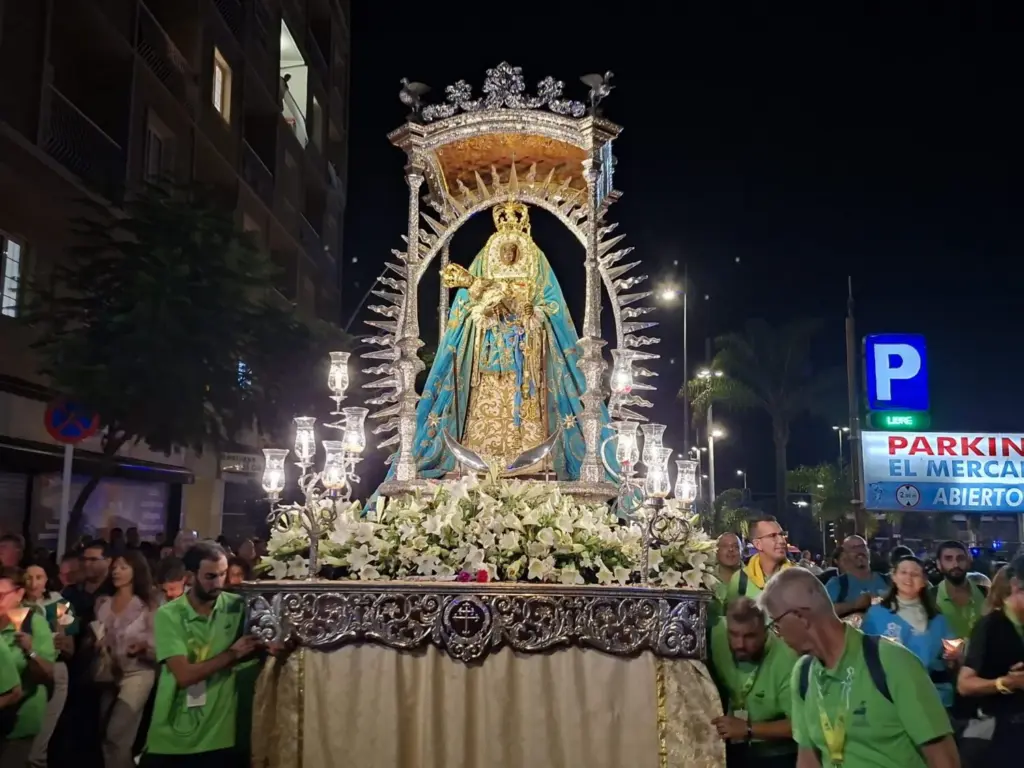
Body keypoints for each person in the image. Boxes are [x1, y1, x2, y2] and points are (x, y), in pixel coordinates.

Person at [390, 200, 612, 481]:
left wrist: (534, 312)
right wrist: (485, 311)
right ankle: (480, 457)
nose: (508, 253)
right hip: (489, 353)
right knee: (485, 404)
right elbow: (465, 311)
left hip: (526, 356)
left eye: (512, 250)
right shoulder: (482, 274)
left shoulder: (535, 268)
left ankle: (531, 460)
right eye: (504, 250)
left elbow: (551, 307)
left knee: (526, 407)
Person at [760, 567, 959, 768]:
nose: (778, 635)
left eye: (776, 625)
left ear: (799, 617)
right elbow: (808, 761)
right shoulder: (803, 674)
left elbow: (945, 760)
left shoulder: (892, 662)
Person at [142, 542, 261, 767]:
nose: (218, 583)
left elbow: (263, 643)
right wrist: (232, 654)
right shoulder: (169, 615)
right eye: (210, 576)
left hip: (220, 735)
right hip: (173, 735)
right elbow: (184, 675)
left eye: (223, 574)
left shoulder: (237, 606)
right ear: (190, 576)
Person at [709, 597, 798, 767]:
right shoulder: (717, 633)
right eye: (733, 634)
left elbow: (800, 726)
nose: (739, 644)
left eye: (749, 636)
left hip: (775, 755)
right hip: (730, 748)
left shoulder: (788, 662)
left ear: (766, 630)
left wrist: (748, 729)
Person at [862, 555, 959, 708]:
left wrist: (952, 658)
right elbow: (864, 655)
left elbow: (950, 656)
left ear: (924, 581)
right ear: (894, 576)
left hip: (932, 696)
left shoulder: (937, 619)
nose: (908, 578)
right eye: (903, 572)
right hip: (889, 696)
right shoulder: (876, 615)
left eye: (915, 574)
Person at [956, 554, 1024, 762]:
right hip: (1002, 737)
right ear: (1016, 586)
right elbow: (965, 684)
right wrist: (1007, 682)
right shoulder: (990, 626)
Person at [94, 550, 158, 768]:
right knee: (106, 737)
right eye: (115, 567)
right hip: (108, 674)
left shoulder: (147, 605)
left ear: (136, 571)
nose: (116, 572)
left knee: (117, 733)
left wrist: (143, 647)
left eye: (123, 567)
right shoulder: (103, 604)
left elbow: (160, 647)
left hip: (138, 673)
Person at [0, 566, 57, 767]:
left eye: (2, 595)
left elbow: (48, 673)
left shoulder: (34, 623)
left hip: (20, 717)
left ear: (19, 593)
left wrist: (31, 651)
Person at [22, 562, 75, 768]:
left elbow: (70, 647)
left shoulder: (59, 603)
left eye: (39, 577)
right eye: (29, 577)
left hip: (55, 669)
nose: (33, 582)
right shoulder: (15, 604)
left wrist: (60, 638)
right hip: (24, 670)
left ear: (47, 580)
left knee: (39, 743)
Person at [931, 541, 986, 641]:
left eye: (960, 558)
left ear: (968, 562)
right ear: (939, 564)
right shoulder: (930, 597)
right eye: (948, 559)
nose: (955, 564)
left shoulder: (985, 594)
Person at [729, 517, 792, 602]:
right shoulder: (740, 579)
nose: (782, 541)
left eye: (782, 534)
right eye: (773, 536)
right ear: (758, 544)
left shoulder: (800, 577)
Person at [825, 536, 889, 619]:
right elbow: (822, 611)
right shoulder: (837, 584)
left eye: (863, 547)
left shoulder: (887, 581)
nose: (859, 551)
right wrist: (854, 605)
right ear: (845, 555)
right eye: (854, 548)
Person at [710, 533, 743, 622]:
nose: (731, 549)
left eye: (735, 546)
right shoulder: (705, 577)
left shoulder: (752, 576)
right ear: (716, 551)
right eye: (725, 546)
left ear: (741, 551)